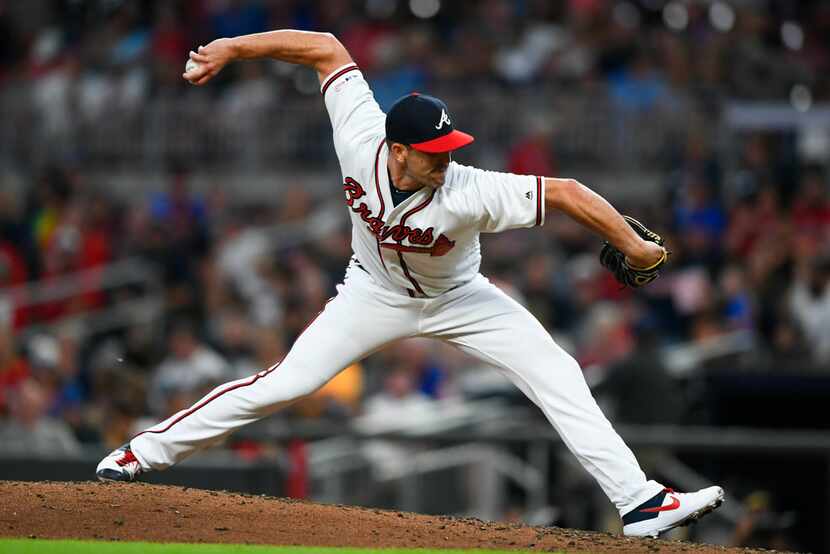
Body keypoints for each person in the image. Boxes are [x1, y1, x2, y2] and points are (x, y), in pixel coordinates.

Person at [97, 29, 723, 538]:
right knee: (283, 383)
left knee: (556, 370)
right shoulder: (361, 136)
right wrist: (234, 47)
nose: (445, 158)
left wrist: (635, 245)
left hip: (461, 298)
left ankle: (639, 502)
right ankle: (141, 454)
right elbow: (325, 47)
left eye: (450, 147)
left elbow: (565, 193)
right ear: (397, 150)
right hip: (371, 292)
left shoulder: (467, 188)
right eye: (433, 150)